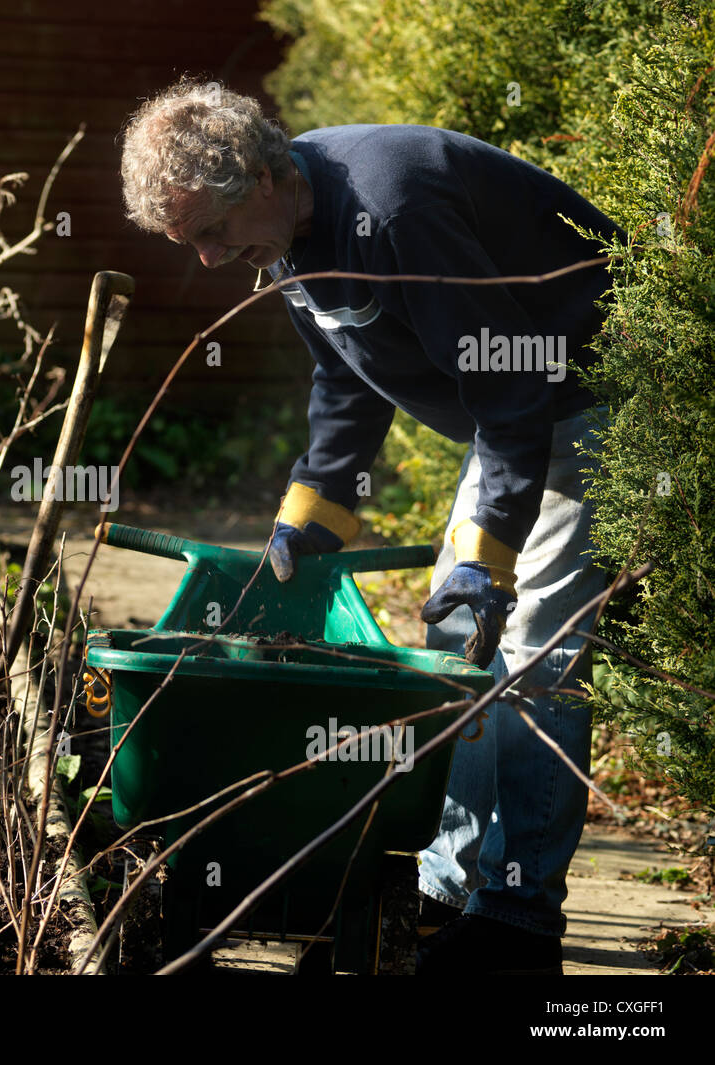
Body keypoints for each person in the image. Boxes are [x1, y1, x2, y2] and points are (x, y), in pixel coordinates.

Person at [119, 78, 622, 975]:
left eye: (208, 231)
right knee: (464, 639)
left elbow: (514, 390)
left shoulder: (392, 215)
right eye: (187, 240)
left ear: (261, 177)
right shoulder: (283, 233)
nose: (204, 258)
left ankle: (516, 926)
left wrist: (490, 558)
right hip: (514, 410)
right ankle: (446, 883)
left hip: (583, 393)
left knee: (537, 647)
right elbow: (347, 376)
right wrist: (315, 512)